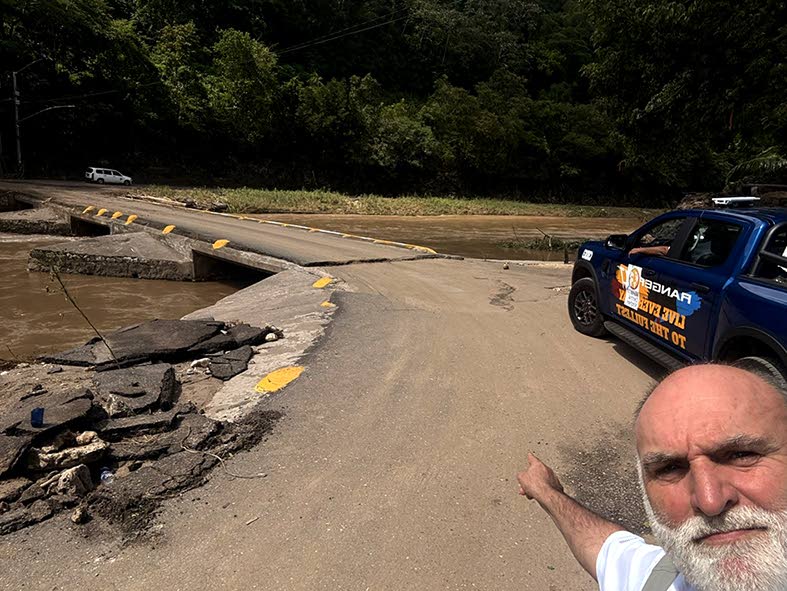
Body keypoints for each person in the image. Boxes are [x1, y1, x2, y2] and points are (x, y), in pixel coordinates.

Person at [516, 364, 787, 591]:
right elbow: (604, 546)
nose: (710, 500)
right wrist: (546, 491)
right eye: (669, 468)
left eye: (741, 455)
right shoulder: (658, 579)